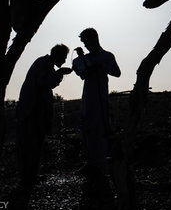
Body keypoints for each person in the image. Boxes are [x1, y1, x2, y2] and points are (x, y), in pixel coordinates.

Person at [15, 44, 72, 190]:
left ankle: (30, 176)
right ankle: (26, 178)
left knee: (35, 145)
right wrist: (59, 73)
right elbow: (43, 83)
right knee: (30, 144)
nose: (65, 61)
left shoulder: (45, 64)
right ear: (57, 55)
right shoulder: (42, 63)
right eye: (64, 57)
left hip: (35, 111)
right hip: (31, 111)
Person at [73, 28, 121, 184]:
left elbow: (117, 72)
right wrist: (82, 61)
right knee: (87, 128)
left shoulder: (106, 56)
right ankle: (90, 163)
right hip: (88, 98)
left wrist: (101, 67)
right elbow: (81, 72)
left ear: (94, 39)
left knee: (101, 128)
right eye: (84, 43)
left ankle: (101, 163)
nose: (86, 46)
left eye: (87, 42)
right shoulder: (83, 58)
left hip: (100, 97)